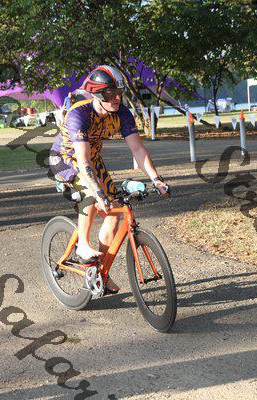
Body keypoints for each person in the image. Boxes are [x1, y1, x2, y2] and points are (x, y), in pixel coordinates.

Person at [49, 65, 170, 293]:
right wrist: (97, 193)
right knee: (91, 194)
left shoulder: (122, 113)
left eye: (119, 93)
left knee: (114, 212)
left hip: (92, 159)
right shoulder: (79, 113)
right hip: (66, 159)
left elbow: (138, 149)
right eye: (110, 93)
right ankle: (83, 246)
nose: (116, 98)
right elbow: (82, 160)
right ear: (97, 94)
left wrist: (157, 179)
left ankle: (101, 272)